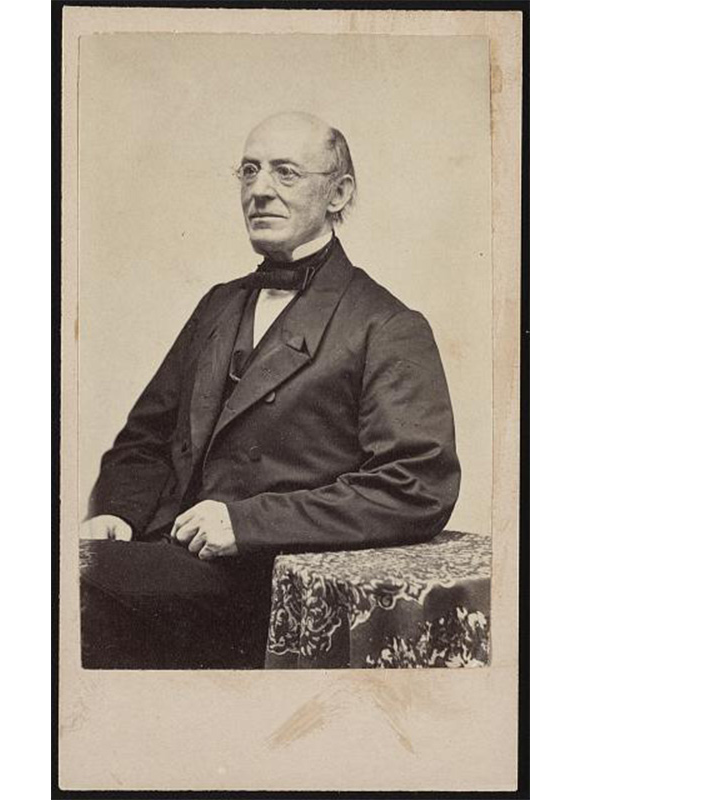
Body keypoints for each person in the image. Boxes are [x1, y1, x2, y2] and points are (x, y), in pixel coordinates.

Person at [80, 111, 461, 669]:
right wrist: (120, 510)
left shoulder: (386, 325)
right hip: (162, 555)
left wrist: (246, 523)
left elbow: (415, 486)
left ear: (339, 193)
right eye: (250, 171)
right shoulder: (219, 303)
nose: (259, 190)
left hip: (266, 582)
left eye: (285, 173)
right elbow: (146, 437)